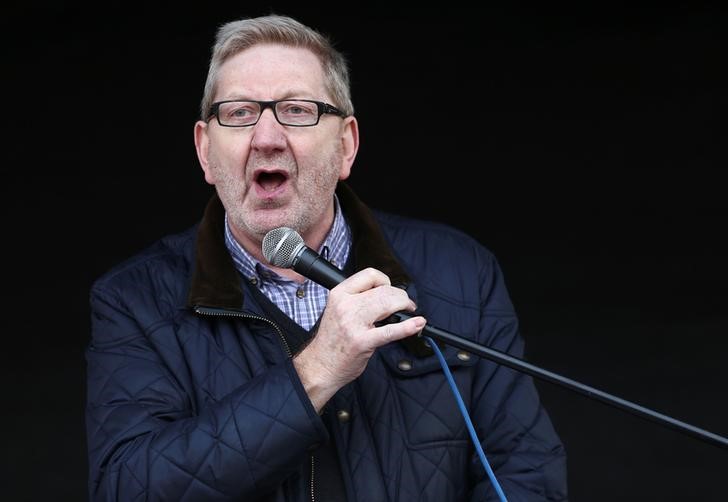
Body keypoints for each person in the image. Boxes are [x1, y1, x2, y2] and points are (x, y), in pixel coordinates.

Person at [85, 14, 568, 501]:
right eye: (239, 112)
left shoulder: (460, 271)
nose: (267, 137)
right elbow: (128, 488)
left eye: (298, 110)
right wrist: (316, 369)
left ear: (346, 146)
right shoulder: (133, 301)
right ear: (206, 151)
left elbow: (526, 471)